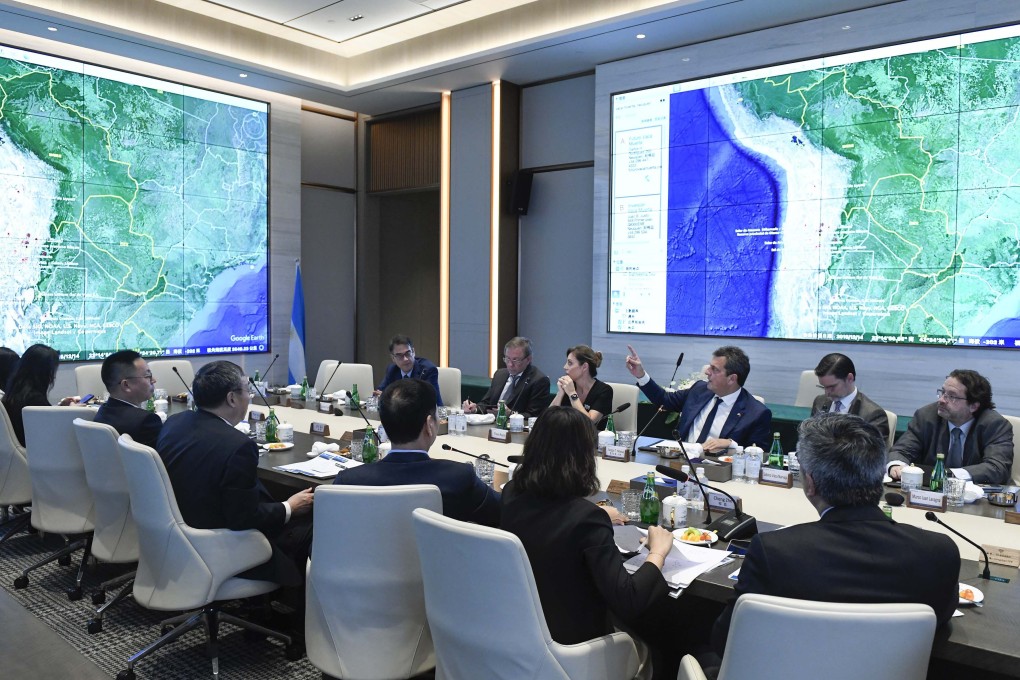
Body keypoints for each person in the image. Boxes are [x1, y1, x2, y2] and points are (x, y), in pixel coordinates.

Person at [711, 413, 960, 658]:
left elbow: (727, 640)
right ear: (878, 478)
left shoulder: (775, 551)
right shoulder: (940, 551)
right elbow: (938, 627)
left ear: (810, 484)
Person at [500, 407, 674, 662]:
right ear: (583, 457)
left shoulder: (511, 493)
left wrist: (596, 513)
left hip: (518, 633)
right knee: (663, 647)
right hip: (574, 649)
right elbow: (629, 600)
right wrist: (657, 552)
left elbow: (551, 514)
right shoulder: (587, 520)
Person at [157, 361, 314, 586]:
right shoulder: (237, 445)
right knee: (307, 529)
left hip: (177, 533)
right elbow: (244, 518)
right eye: (247, 391)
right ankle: (294, 611)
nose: (249, 397)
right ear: (232, 399)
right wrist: (289, 507)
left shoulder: (175, 423)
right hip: (217, 542)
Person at [335, 378, 499, 526]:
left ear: (384, 425)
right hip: (438, 560)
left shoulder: (348, 482)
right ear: (429, 424)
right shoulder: (458, 477)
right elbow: (504, 513)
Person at [625, 345, 771, 452]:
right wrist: (641, 375)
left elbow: (759, 454)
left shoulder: (756, 413)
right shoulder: (699, 390)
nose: (707, 372)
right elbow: (664, 399)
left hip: (721, 473)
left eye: (714, 369)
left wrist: (731, 444)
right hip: (682, 462)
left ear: (732, 379)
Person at [888, 369, 1013, 484]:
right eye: (943, 392)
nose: (942, 400)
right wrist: (896, 465)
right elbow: (901, 450)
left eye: (952, 396)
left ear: (973, 406)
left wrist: (951, 475)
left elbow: (997, 467)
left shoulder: (995, 425)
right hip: (930, 494)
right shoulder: (926, 416)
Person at [1, 343, 79, 446]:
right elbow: (53, 429)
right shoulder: (33, 398)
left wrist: (60, 408)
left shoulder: (15, 392)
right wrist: (73, 411)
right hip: (37, 451)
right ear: (44, 372)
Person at [810, 353, 889, 443]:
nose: (827, 393)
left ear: (850, 378)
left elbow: (873, 455)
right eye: (823, 387)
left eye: (832, 387)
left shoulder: (873, 415)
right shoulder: (819, 402)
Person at [463, 336, 551, 418]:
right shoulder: (500, 374)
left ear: (528, 359)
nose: (510, 364)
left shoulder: (539, 380)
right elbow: (486, 403)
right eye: (507, 358)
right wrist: (474, 408)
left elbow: (535, 416)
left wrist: (511, 414)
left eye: (515, 360)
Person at [93, 350, 163, 448]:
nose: (154, 380)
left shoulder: (102, 413)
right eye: (148, 376)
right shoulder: (147, 421)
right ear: (126, 385)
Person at [549, 345, 613, 428]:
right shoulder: (569, 386)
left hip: (593, 438)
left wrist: (572, 394)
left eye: (570, 363)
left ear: (584, 367)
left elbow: (589, 422)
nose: (565, 367)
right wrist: (560, 393)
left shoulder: (604, 390)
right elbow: (548, 418)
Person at [374, 334, 443, 406]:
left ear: (413, 352)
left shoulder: (428, 370)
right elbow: (379, 393)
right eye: (399, 356)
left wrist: (390, 398)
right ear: (393, 358)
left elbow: (429, 402)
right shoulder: (392, 370)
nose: (405, 359)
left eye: (408, 353)